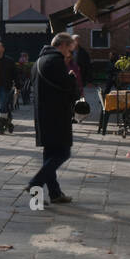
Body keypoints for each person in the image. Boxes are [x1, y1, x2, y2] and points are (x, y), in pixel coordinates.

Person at [30, 33, 78, 205]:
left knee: (49, 155)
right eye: (70, 49)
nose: (69, 54)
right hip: (57, 115)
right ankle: (35, 182)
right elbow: (68, 89)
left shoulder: (38, 62)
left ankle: (54, 194)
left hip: (41, 116)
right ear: (63, 45)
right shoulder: (56, 61)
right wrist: (71, 77)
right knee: (63, 152)